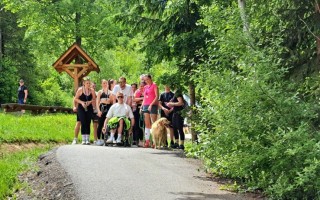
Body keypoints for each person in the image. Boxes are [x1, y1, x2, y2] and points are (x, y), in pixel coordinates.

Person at [74, 77, 96, 145]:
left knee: (88, 122)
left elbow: (94, 99)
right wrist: (82, 103)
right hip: (81, 107)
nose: (88, 84)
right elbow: (75, 99)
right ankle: (83, 139)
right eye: (87, 83)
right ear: (84, 83)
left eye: (89, 83)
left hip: (89, 107)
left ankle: (87, 139)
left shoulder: (92, 90)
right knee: (83, 121)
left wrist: (90, 102)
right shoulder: (80, 90)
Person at [141, 74, 159, 148]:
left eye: (147, 79)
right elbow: (144, 98)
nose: (146, 81)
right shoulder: (145, 87)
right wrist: (141, 106)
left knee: (153, 124)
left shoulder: (154, 85)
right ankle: (147, 141)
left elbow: (157, 97)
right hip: (145, 105)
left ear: (150, 78)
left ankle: (155, 142)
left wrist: (151, 105)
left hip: (153, 105)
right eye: (145, 80)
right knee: (147, 124)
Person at [96, 79, 114, 146]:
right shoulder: (100, 92)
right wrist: (98, 111)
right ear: (101, 84)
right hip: (102, 108)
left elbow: (112, 102)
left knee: (106, 124)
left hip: (108, 108)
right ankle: (98, 139)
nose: (105, 84)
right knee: (100, 124)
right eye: (103, 83)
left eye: (106, 83)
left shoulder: (111, 93)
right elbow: (97, 102)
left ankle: (105, 139)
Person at [133, 81, 146, 147]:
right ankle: (137, 140)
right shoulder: (137, 91)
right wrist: (142, 98)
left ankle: (143, 140)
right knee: (137, 125)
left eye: (143, 86)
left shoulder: (146, 91)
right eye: (140, 86)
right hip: (138, 109)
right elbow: (134, 99)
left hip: (145, 108)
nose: (142, 87)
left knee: (144, 125)